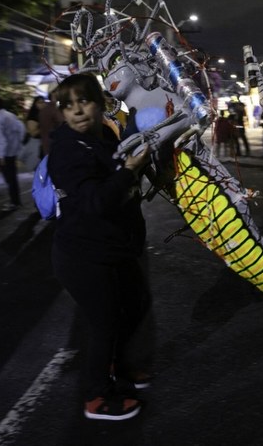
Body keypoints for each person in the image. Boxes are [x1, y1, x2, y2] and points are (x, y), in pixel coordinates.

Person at [47, 74, 152, 421]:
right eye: (68, 105)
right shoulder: (66, 150)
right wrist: (128, 172)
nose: (77, 111)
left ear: (100, 102)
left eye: (84, 101)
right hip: (83, 254)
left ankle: (120, 369)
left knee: (136, 305)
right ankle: (96, 396)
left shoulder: (104, 136)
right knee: (104, 323)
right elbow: (95, 202)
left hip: (114, 248)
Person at [0, 96, 25, 211]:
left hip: (5, 153)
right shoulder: (10, 115)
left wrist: (0, 155)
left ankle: (14, 202)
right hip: (12, 150)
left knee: (9, 179)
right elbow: (20, 129)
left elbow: (0, 139)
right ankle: (16, 201)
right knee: (13, 178)